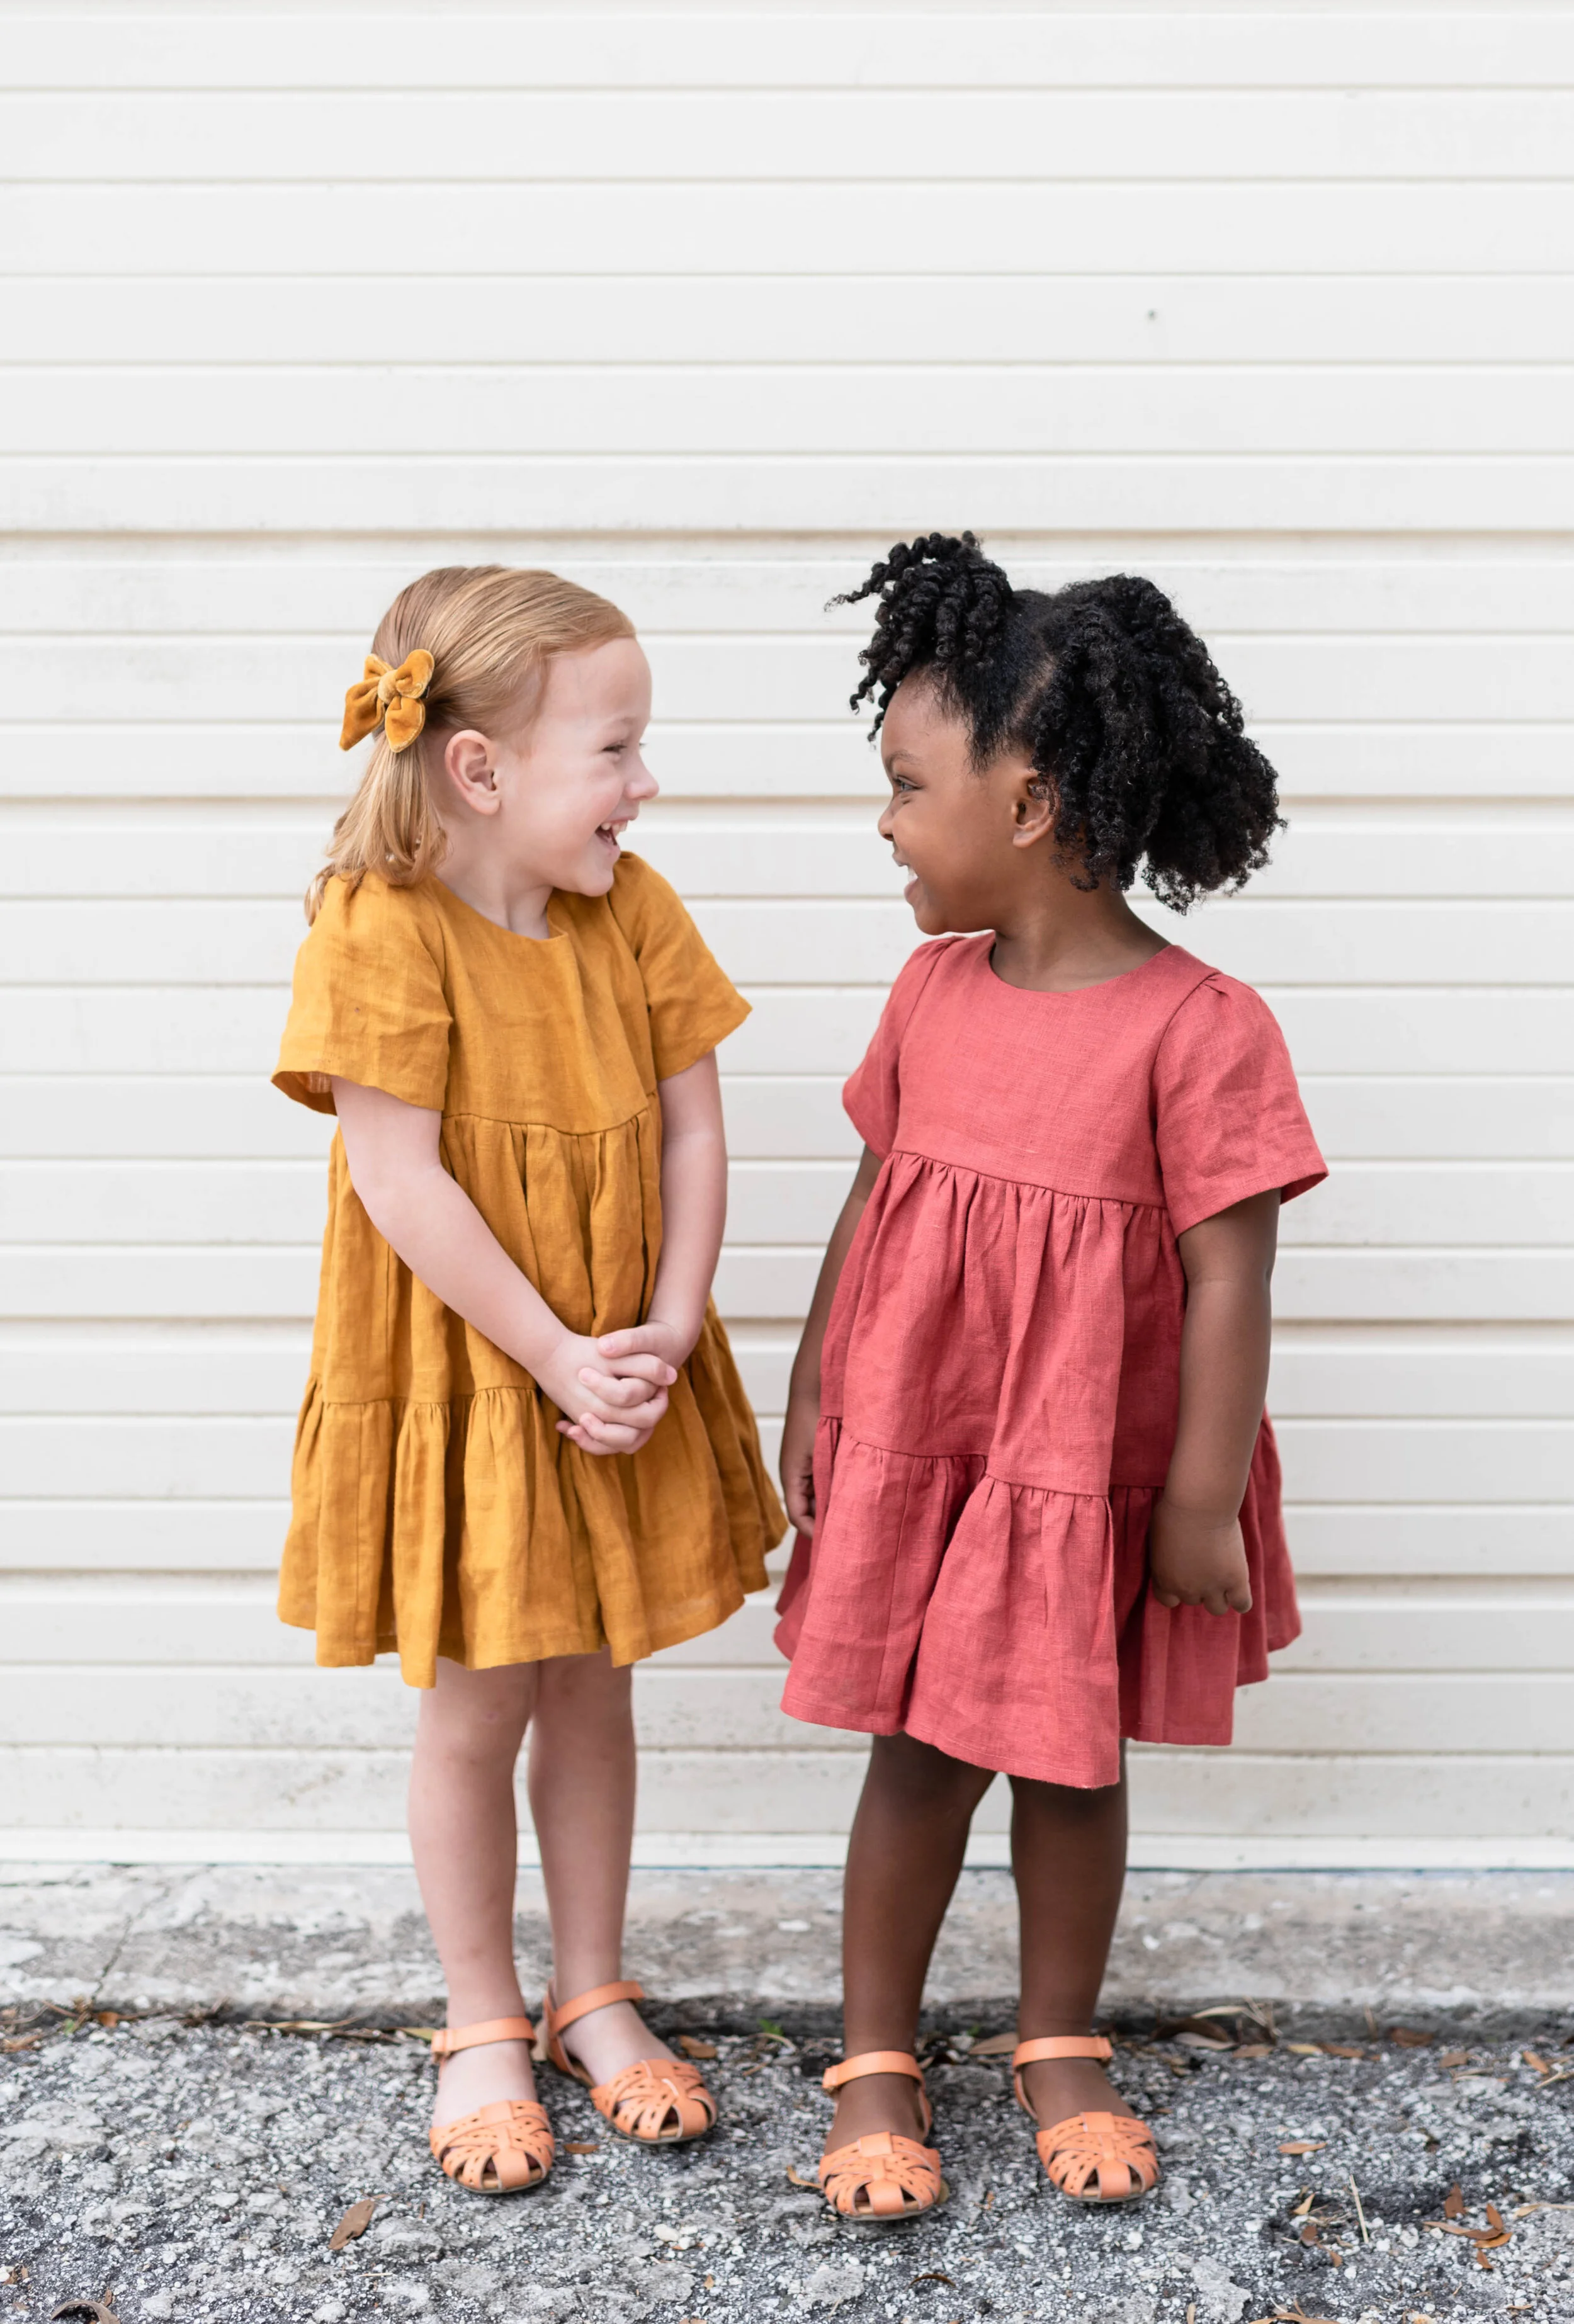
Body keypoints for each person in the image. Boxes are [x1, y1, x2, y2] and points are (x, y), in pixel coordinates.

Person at [776, 535, 1326, 2223]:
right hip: (929, 1450)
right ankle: (875, 2049)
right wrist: (809, 1390)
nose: (883, 820)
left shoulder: (1198, 1027)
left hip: (1086, 1470)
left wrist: (1192, 1503)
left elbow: (1230, 1271)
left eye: (904, 784)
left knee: (1073, 1758)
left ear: (1023, 804)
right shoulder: (930, 990)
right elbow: (873, 1195)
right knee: (918, 1753)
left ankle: (1053, 2035)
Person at [273, 565, 783, 2196]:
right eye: (617, 751)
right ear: (479, 771)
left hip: (618, 1360)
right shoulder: (381, 928)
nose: (645, 785)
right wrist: (553, 1346)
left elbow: (694, 1120)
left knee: (593, 1685)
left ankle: (591, 1991)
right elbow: (398, 1179)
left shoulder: (627, 909)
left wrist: (667, 1323)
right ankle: (482, 2014)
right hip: (480, 1373)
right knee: (477, 1701)